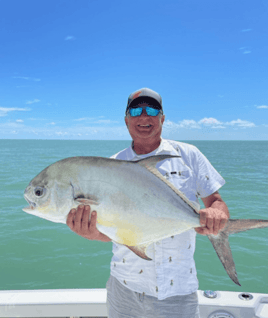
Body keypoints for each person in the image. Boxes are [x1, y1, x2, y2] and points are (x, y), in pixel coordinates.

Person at [66, 88, 229, 318]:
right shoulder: (111, 165)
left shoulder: (189, 155)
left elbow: (217, 202)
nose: (144, 116)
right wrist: (91, 233)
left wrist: (216, 215)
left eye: (152, 109)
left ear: (162, 118)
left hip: (178, 292)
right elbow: (111, 230)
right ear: (126, 120)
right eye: (136, 110)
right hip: (124, 289)